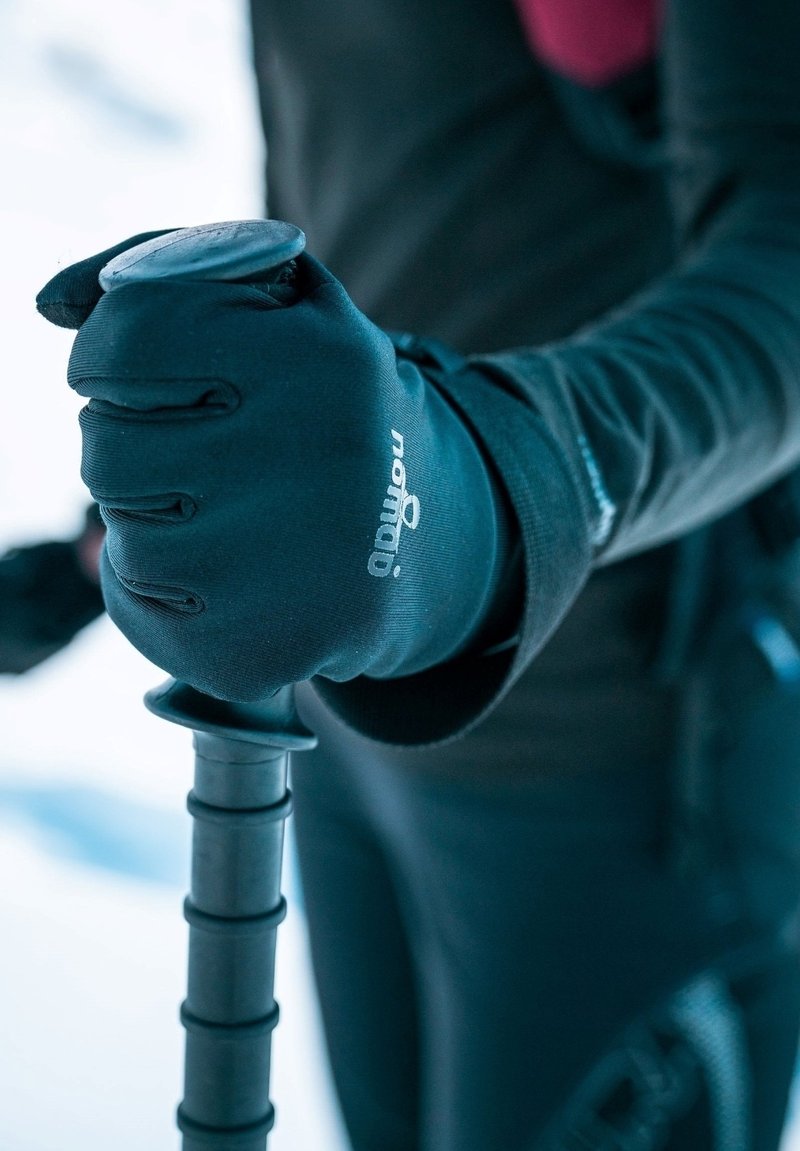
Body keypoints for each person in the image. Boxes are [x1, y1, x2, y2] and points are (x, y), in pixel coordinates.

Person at [33, 0, 800, 1146]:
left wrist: (510, 478)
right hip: (349, 707)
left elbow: (782, 245)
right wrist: (123, 540)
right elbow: (360, 192)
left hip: (616, 754)